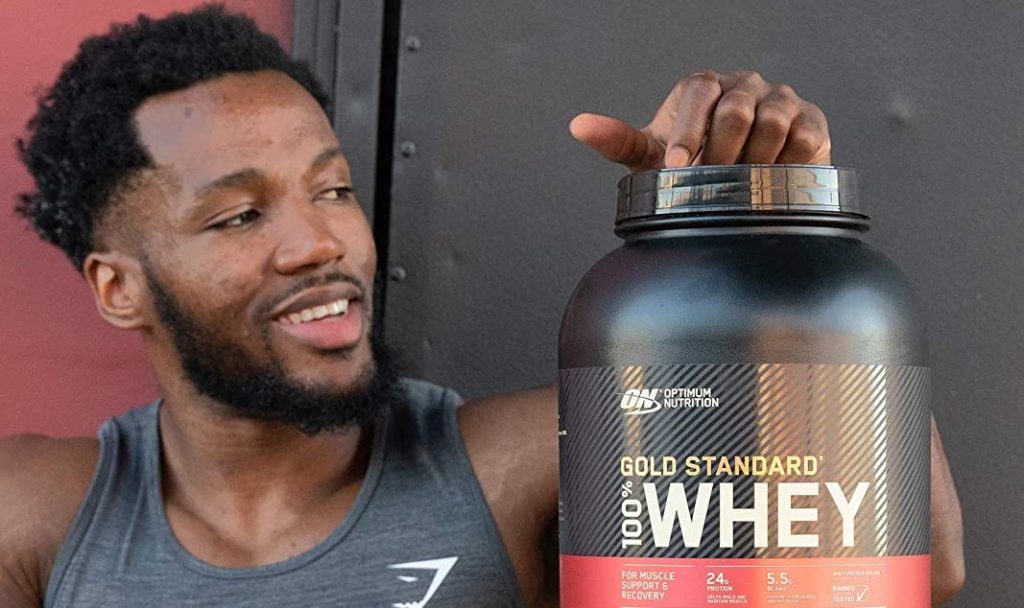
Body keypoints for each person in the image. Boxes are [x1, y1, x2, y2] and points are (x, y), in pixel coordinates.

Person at [0, 6, 963, 607]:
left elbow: (918, 562)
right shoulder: (42, 513)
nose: (322, 243)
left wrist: (762, 245)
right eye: (243, 214)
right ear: (118, 286)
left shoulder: (521, 467)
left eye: (332, 189)